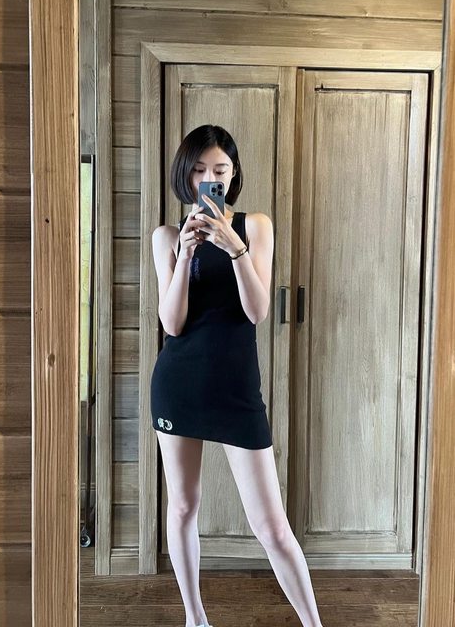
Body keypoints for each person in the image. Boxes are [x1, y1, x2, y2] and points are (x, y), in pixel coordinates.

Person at [150, 125, 324, 627]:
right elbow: (172, 323)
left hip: (236, 388)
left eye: (220, 170)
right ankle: (195, 619)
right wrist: (186, 254)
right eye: (200, 170)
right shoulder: (166, 237)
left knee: (271, 526)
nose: (211, 179)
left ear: (233, 174)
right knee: (183, 507)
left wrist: (235, 248)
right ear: (185, 176)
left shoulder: (256, 226)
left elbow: (257, 311)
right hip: (179, 385)